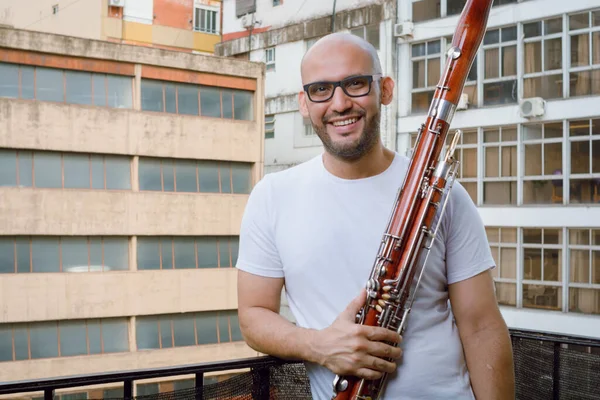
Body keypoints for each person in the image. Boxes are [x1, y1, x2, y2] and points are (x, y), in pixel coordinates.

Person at [235, 32, 515, 399]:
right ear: (304, 103)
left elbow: (481, 325)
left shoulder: (442, 192)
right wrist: (320, 346)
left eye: (355, 84)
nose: (339, 103)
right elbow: (254, 316)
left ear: (385, 89)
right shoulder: (272, 196)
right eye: (321, 89)